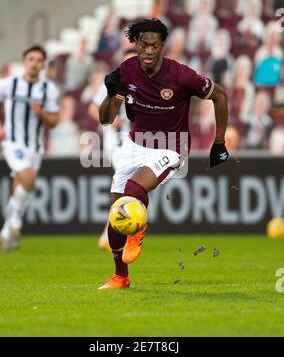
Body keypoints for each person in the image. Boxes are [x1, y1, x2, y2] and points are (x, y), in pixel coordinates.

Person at [98, 19, 229, 290]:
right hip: (135, 144)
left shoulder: (181, 76)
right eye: (143, 45)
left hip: (172, 145)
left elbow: (221, 96)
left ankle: (139, 228)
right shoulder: (127, 70)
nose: (148, 51)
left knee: (133, 191)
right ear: (135, 45)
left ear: (162, 46)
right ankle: (121, 276)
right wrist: (110, 94)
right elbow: (106, 119)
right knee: (116, 212)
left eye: (154, 45)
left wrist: (219, 142)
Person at [0, 45, 60, 252]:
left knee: (21, 187)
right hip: (13, 143)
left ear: (43, 65)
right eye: (31, 59)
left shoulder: (49, 89)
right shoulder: (10, 84)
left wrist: (41, 113)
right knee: (29, 180)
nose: (34, 63)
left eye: (38, 60)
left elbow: (54, 121)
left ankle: (6, 232)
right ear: (24, 61)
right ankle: (15, 223)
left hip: (35, 147)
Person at [88, 49, 137, 251]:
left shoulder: (145, 84)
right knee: (127, 180)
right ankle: (114, 233)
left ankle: (113, 231)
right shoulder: (113, 82)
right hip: (116, 140)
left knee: (131, 184)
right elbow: (93, 108)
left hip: (138, 140)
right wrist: (110, 117)